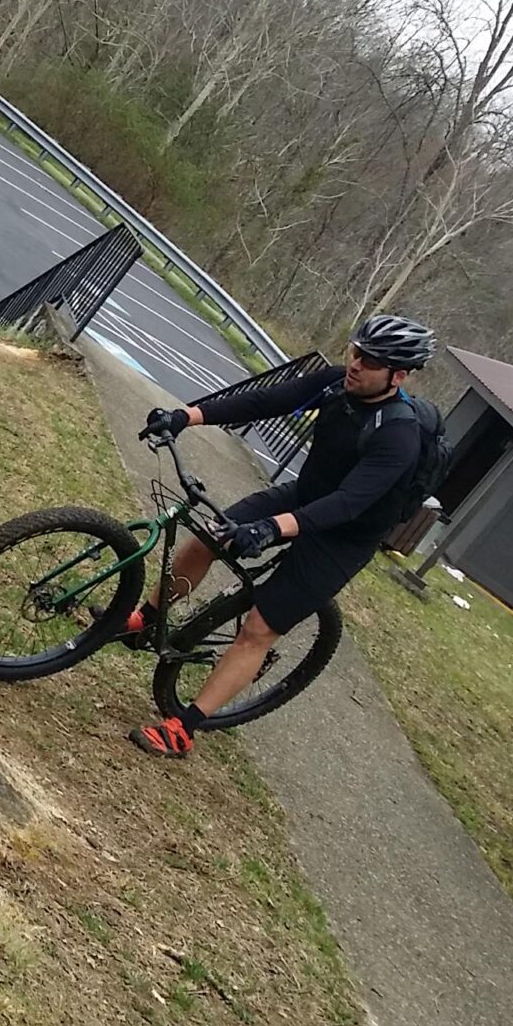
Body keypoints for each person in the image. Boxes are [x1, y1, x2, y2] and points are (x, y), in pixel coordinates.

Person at [125, 314, 440, 757]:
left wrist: (270, 528)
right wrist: (186, 416)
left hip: (344, 535)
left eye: (371, 361)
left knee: (259, 627)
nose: (356, 363)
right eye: (356, 351)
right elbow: (263, 401)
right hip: (304, 494)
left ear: (398, 376)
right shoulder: (335, 383)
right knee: (207, 540)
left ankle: (184, 728)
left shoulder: (398, 435)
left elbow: (348, 502)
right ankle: (144, 620)